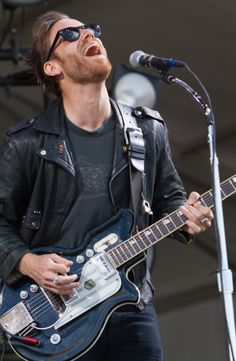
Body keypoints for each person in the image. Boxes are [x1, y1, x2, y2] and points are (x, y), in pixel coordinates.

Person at [0, 11, 213, 361]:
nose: (87, 35)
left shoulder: (147, 130)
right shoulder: (26, 142)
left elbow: (170, 200)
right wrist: (27, 263)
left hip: (129, 303)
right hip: (55, 314)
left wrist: (188, 217)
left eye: (90, 30)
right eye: (70, 35)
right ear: (52, 67)